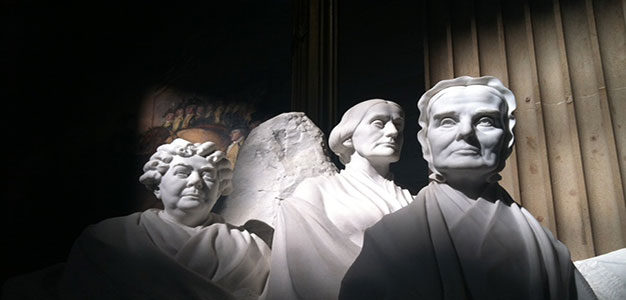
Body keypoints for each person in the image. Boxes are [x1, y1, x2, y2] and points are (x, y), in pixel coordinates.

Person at [339, 76, 597, 300]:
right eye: (447, 121)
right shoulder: (390, 238)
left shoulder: (544, 244)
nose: (466, 132)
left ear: (507, 140)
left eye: (485, 120)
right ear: (426, 142)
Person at [59, 138, 271, 300]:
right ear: (157, 185)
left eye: (207, 175)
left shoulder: (251, 249)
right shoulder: (107, 239)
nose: (196, 181)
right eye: (182, 172)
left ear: (219, 190)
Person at [267, 99, 414, 300]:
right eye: (379, 123)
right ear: (348, 137)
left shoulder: (413, 200)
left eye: (398, 125)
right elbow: (299, 272)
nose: (393, 132)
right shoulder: (317, 191)